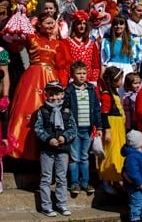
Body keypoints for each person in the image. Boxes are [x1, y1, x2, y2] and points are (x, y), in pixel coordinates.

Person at [7, 12, 71, 160]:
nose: (50, 26)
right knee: (28, 110)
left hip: (50, 77)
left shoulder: (57, 43)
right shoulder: (32, 38)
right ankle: (22, 149)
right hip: (33, 77)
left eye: (52, 23)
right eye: (47, 23)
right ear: (39, 25)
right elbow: (17, 33)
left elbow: (62, 62)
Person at [63, 60, 108, 196]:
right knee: (75, 157)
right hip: (75, 130)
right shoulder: (69, 91)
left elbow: (96, 109)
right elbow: (65, 111)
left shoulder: (90, 89)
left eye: (84, 73)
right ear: (72, 75)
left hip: (88, 129)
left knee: (84, 157)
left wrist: (99, 127)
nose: (82, 76)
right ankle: (74, 183)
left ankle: (85, 182)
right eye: (78, 73)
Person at [34, 80, 76, 217]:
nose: (54, 97)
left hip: (63, 150)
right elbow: (38, 129)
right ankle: (46, 206)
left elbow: (72, 129)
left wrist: (64, 137)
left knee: (61, 178)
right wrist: (48, 139)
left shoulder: (67, 111)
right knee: (46, 178)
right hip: (47, 150)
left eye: (57, 94)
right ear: (46, 95)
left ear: (62, 94)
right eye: (51, 94)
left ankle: (62, 204)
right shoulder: (42, 110)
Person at [98, 66, 127, 195]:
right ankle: (105, 180)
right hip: (112, 126)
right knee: (110, 154)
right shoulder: (106, 95)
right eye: (120, 79)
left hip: (119, 127)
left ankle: (116, 180)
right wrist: (107, 130)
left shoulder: (115, 93)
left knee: (118, 155)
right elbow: (104, 113)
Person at [61, 10, 101, 85]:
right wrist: (70, 77)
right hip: (73, 81)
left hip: (88, 81)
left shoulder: (92, 43)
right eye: (79, 24)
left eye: (84, 24)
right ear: (74, 25)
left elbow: (95, 65)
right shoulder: (67, 42)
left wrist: (93, 80)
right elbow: (66, 64)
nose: (82, 26)